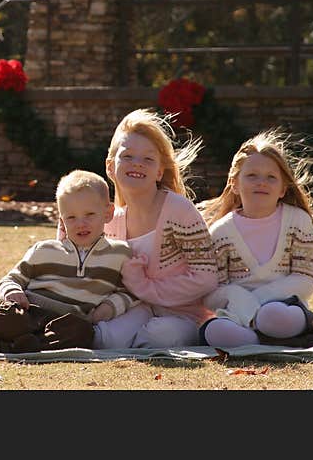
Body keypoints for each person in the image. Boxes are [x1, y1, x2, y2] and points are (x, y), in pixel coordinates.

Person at [198, 130, 313, 350]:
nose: (262, 183)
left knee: (271, 317)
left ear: (282, 189)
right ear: (234, 184)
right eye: (252, 176)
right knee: (214, 332)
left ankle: (309, 328)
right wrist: (240, 299)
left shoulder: (297, 221)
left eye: (271, 177)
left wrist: (260, 300)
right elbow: (211, 293)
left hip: (284, 310)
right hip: (239, 315)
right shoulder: (221, 232)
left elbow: (304, 280)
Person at [0, 170, 138, 357]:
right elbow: (11, 279)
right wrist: (12, 291)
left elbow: (131, 291)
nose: (81, 223)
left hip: (67, 320)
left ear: (108, 213)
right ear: (61, 220)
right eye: (71, 217)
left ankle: (0, 347)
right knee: (8, 319)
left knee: (82, 333)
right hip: (30, 310)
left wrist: (109, 307)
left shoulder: (120, 253)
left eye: (89, 214)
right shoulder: (45, 250)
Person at [86, 108, 219, 349]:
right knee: (106, 339)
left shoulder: (178, 210)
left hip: (184, 315)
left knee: (160, 336)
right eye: (127, 156)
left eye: (148, 159)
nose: (137, 164)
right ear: (109, 166)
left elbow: (206, 278)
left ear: (159, 171)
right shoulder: (109, 218)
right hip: (135, 308)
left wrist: (146, 287)